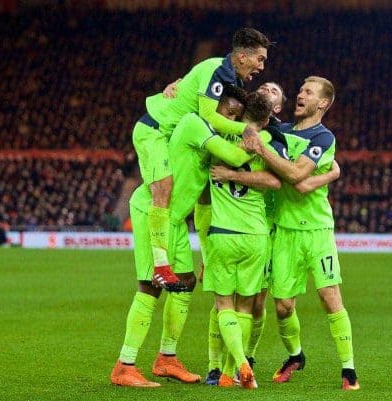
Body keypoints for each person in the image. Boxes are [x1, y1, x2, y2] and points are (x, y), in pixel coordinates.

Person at [111, 87, 257, 388]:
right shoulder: (194, 123)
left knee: (185, 283)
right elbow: (233, 154)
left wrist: (206, 251)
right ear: (212, 106)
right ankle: (125, 365)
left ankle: (166, 358)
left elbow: (204, 201)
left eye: (236, 117)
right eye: (228, 113)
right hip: (152, 211)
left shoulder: (211, 140)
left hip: (175, 221)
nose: (231, 120)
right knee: (152, 285)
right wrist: (259, 136)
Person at [246, 76, 360, 391]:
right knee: (282, 305)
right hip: (284, 231)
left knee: (329, 295)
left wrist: (266, 153)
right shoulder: (279, 131)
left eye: (308, 92)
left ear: (322, 103)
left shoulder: (323, 138)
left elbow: (297, 176)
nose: (300, 94)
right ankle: (296, 355)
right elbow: (248, 118)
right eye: (299, 90)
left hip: (318, 230)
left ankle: (349, 370)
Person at [135, 27, 270, 290]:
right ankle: (160, 265)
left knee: (193, 191)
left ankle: (189, 259)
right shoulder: (216, 70)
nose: (261, 67)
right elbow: (209, 116)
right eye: (260, 59)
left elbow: (192, 87)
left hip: (172, 134)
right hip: (154, 129)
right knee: (163, 188)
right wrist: (246, 130)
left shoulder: (230, 80)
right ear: (242, 57)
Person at [202, 91, 280, 389]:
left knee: (223, 305)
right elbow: (274, 181)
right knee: (246, 307)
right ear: (267, 118)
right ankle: (230, 372)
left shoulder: (218, 141)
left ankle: (239, 363)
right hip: (256, 236)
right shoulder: (267, 142)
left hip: (223, 233)